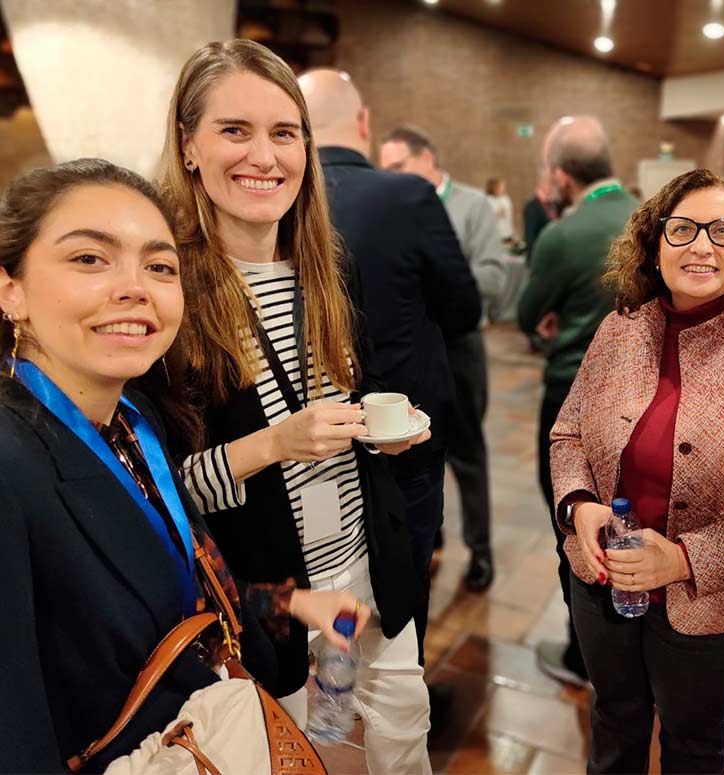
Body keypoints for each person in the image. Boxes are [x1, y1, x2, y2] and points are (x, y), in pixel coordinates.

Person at [0, 158, 369, 773]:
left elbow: (163, 573)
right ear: (10, 289)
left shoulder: (133, 421)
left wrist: (283, 604)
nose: (134, 287)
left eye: (159, 266)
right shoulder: (11, 462)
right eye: (90, 258)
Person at [158, 41, 431, 774]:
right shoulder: (168, 292)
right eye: (234, 130)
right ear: (188, 147)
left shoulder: (329, 265)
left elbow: (345, 401)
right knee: (294, 749)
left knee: (405, 731)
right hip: (275, 594)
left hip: (371, 560)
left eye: (285, 133)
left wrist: (378, 434)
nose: (265, 156)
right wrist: (276, 442)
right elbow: (166, 492)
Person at [550, 169, 724, 774]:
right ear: (655, 244)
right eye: (682, 229)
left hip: (711, 606)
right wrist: (580, 505)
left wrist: (680, 560)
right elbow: (567, 432)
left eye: (723, 231)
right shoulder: (618, 330)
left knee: (693, 740)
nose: (701, 246)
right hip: (600, 584)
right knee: (615, 718)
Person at [296, 72, 478, 731]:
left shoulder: (285, 199)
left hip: (306, 427)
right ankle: (401, 686)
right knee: (405, 562)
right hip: (399, 422)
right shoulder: (406, 193)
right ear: (365, 120)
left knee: (323, 559)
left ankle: (331, 705)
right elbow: (465, 306)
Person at [517, 115, 638, 687]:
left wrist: (549, 321)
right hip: (646, 398)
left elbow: (524, 313)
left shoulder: (562, 236)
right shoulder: (653, 217)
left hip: (573, 397)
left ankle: (585, 655)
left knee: (575, 522)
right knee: (631, 519)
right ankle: (637, 638)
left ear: (562, 178)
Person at [380, 125, 505, 591]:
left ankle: (482, 550)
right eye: (384, 169)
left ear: (428, 160)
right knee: (417, 448)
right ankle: (431, 538)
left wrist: (433, 285)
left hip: (459, 347)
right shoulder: (393, 207)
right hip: (412, 350)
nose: (387, 177)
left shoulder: (474, 206)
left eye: (397, 168)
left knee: (468, 454)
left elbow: (493, 277)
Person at [485, 176, 516, 243]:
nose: (502, 188)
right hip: (494, 235)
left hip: (507, 234)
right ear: (494, 187)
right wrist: (496, 213)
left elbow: (509, 218)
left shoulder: (506, 199)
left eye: (503, 186)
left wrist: (512, 233)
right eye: (500, 186)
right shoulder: (487, 200)